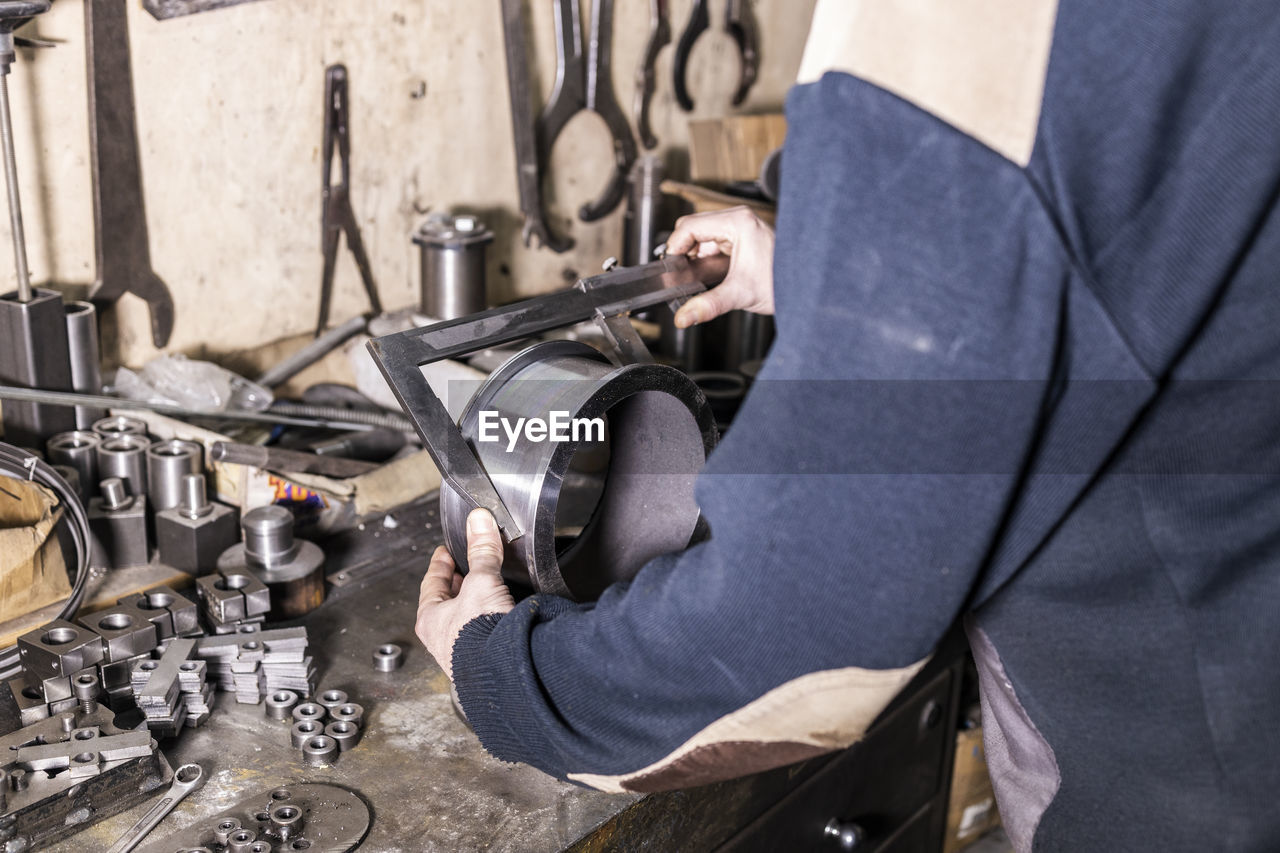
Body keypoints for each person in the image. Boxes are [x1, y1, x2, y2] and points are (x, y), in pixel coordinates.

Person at [417, 1, 1280, 849]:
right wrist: (841, 270)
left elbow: (809, 624)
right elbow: (1146, 240)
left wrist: (503, 676)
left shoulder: (971, 32)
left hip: (1185, 782)